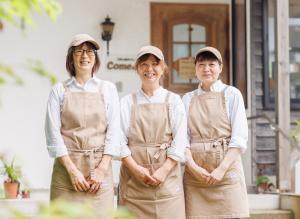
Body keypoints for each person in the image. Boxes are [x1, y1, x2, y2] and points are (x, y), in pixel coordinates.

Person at [45, 34, 120, 218]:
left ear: (95, 57)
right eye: (79, 51)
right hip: (66, 170)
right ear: (71, 57)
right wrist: (72, 171)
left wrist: (102, 169)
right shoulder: (59, 90)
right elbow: (53, 134)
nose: (84, 56)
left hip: (99, 173)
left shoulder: (108, 89)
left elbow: (114, 131)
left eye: (89, 51)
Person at [118, 45, 186, 219]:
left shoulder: (174, 101)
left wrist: (164, 170)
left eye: (155, 64)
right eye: (144, 64)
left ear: (163, 68)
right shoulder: (127, 102)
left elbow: (180, 139)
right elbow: (118, 141)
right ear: (137, 69)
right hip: (133, 181)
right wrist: (136, 169)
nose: (150, 69)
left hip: (167, 179)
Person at [182, 46, 249, 219]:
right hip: (196, 175)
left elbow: (239, 137)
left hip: (226, 172)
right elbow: (182, 139)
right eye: (201, 64)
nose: (206, 69)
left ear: (220, 67)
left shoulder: (232, 94)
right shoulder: (187, 99)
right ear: (195, 68)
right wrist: (192, 166)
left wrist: (221, 169)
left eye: (211, 64)